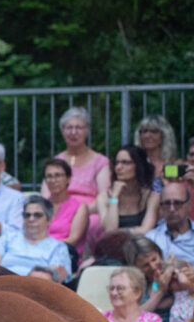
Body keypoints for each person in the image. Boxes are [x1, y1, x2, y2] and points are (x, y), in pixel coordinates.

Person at [55, 106, 109, 250]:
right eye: (69, 128)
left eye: (79, 128)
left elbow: (104, 196)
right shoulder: (57, 161)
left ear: (87, 131)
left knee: (94, 223)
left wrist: (79, 213)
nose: (73, 132)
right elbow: (46, 195)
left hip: (91, 212)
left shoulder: (100, 161)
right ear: (62, 131)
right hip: (60, 211)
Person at [0, 195, 71, 282]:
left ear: (49, 219)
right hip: (1, 285)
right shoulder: (8, 238)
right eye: (27, 215)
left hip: (34, 289)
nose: (31, 219)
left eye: (37, 215)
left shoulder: (58, 247)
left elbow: (53, 276)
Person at [99, 143, 159, 236]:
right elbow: (110, 231)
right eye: (117, 163)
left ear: (138, 165)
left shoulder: (152, 196)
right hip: (114, 247)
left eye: (125, 163)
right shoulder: (104, 198)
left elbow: (146, 230)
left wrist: (120, 232)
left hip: (143, 246)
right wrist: (114, 197)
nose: (118, 167)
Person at [146, 182, 194, 270]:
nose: (172, 209)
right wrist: (157, 284)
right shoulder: (151, 238)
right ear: (161, 208)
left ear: (189, 206)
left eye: (177, 203)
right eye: (167, 203)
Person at [41, 157, 90, 250]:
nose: (53, 180)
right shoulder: (40, 205)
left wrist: (44, 247)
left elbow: (73, 239)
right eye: (49, 176)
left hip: (64, 253)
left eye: (58, 175)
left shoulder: (80, 207)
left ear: (68, 179)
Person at [133, 115, 177, 191]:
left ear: (163, 135)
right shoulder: (133, 164)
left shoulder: (171, 165)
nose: (147, 135)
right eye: (144, 131)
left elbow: (174, 192)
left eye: (153, 131)